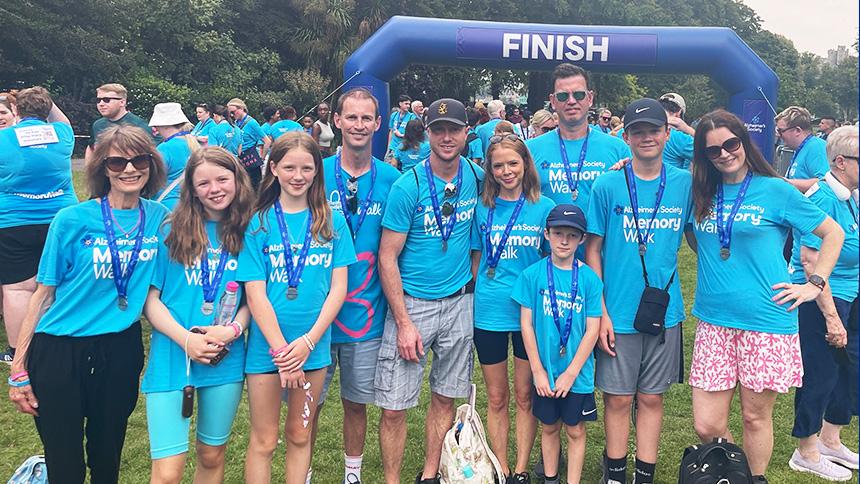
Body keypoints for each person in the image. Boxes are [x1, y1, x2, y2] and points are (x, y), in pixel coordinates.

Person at [687, 110, 844, 483]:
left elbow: (833, 234)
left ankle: (752, 479)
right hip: (714, 322)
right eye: (713, 150)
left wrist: (814, 284)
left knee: (755, 417)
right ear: (704, 156)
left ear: (744, 142)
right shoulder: (698, 190)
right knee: (707, 424)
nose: (725, 154)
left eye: (731, 144)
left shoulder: (775, 190)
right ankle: (727, 473)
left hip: (767, 322)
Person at [8, 125, 168, 482]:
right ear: (103, 169)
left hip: (121, 348)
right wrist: (18, 369)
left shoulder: (159, 218)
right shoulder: (72, 220)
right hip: (60, 349)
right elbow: (42, 295)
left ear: (151, 163)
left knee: (107, 453)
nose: (129, 169)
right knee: (65, 460)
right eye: (117, 162)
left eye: (138, 159)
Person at [586, 98, 693, 484]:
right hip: (617, 309)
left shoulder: (685, 183)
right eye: (638, 131)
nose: (646, 137)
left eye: (654, 129)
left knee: (651, 397)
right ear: (626, 136)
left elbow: (702, 236)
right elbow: (592, 249)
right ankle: (615, 472)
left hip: (664, 310)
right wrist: (599, 311)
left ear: (668, 133)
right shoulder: (608, 183)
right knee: (616, 398)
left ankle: (643, 475)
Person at [238, 132, 356, 484]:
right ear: (273, 168)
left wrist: (306, 343)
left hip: (313, 347)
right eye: (289, 167)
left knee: (300, 434)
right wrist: (281, 352)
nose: (298, 175)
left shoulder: (331, 221)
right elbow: (255, 294)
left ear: (317, 171)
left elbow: (339, 288)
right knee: (263, 439)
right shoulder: (258, 222)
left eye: (307, 168)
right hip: (266, 349)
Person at [376, 98, 483, 484]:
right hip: (413, 306)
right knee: (393, 406)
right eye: (439, 130)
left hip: (458, 304)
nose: (447, 137)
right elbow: (387, 257)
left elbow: (519, 186)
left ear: (466, 133)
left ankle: (429, 474)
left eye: (454, 129)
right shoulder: (410, 185)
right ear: (428, 133)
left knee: (444, 397)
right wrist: (403, 322)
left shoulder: (476, 175)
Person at [141, 146, 255, 483]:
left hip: (224, 357)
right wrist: (186, 339)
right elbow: (150, 300)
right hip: (173, 356)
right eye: (203, 183)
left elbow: (254, 299)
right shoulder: (170, 228)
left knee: (212, 455)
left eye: (222, 179)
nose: (215, 189)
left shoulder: (251, 231)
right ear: (190, 187)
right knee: (167, 472)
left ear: (237, 180)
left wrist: (232, 330)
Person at [317, 87, 402, 484]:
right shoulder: (312, 172)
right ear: (337, 120)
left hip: (365, 317)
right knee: (308, 404)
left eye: (366, 118)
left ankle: (353, 474)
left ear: (378, 123)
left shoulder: (393, 180)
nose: (358, 125)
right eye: (351, 117)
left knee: (356, 403)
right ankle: (304, 471)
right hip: (315, 317)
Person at [471, 133, 555, 483]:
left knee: (525, 394)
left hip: (529, 314)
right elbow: (477, 258)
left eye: (513, 163)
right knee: (496, 396)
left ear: (525, 165)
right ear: (489, 170)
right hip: (488, 311)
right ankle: (500, 465)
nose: (506, 171)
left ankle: (521, 468)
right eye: (498, 165)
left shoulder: (545, 207)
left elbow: (553, 262)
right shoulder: (481, 207)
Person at [788, 125, 858, 481]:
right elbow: (811, 260)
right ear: (842, 162)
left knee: (846, 371)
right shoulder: (822, 198)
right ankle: (807, 450)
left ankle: (831, 440)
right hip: (821, 298)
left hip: (851, 293)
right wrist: (832, 317)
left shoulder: (850, 195)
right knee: (820, 372)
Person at [512, 204, 602, 484]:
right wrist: (537, 370)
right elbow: (526, 325)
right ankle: (550, 478)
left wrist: (572, 372)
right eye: (558, 233)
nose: (564, 240)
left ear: (582, 239)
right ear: (546, 234)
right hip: (546, 370)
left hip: (576, 371)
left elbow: (593, 329)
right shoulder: (531, 275)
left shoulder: (589, 279)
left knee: (574, 429)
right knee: (549, 427)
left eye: (572, 235)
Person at [0, 87, 78, 365]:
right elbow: (63, 120)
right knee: (59, 281)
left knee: (18, 288)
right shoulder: (62, 134)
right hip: (61, 217)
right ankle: (59, 339)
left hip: (13, 221)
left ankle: (17, 350)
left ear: (16, 112)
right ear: (47, 110)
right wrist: (44, 99)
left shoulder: (3, 138)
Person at [526, 63, 630, 219]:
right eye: (563, 96)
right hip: (548, 242)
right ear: (553, 101)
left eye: (579, 95)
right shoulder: (529, 150)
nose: (571, 101)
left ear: (590, 98)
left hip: (602, 242)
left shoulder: (618, 149)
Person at [149, 102, 200, 209]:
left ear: (165, 125)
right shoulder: (193, 143)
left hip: (166, 205)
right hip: (190, 203)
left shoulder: (165, 148)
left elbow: (152, 178)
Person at [85, 83, 153, 161]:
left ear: (122, 102)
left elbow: (152, 155)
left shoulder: (139, 126)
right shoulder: (97, 125)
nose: (101, 104)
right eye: (98, 100)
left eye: (107, 100)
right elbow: (91, 148)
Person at [776, 106, 829, 193]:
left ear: (797, 130)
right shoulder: (802, 148)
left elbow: (826, 184)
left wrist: (785, 183)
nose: (778, 135)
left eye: (780, 131)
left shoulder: (817, 147)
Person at [228, 98, 270, 189]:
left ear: (241, 109)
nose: (232, 115)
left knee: (254, 188)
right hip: (240, 159)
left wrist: (262, 158)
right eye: (230, 113)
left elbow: (267, 141)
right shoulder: (236, 123)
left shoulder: (252, 123)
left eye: (233, 112)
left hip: (251, 159)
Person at [658, 93, 695, 170]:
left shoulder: (637, 133)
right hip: (672, 181)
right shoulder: (681, 138)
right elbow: (710, 151)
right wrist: (689, 130)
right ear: (679, 113)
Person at [386, 95, 417, 159]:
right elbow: (391, 131)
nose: (408, 106)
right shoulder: (394, 115)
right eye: (406, 104)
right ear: (400, 104)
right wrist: (388, 147)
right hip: (393, 148)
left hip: (405, 148)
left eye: (409, 104)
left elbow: (414, 134)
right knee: (389, 166)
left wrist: (401, 135)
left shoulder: (412, 117)